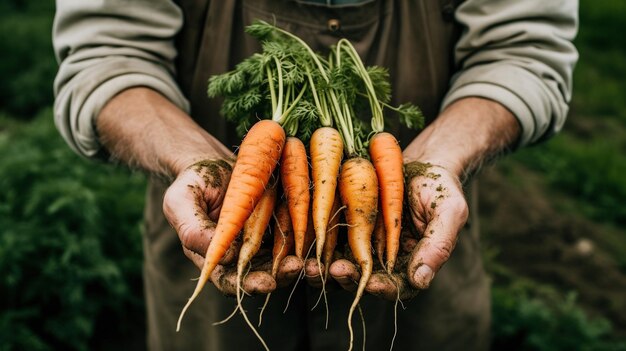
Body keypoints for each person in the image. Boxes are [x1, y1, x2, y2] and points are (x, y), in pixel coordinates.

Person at [53, 0, 578, 350]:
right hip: (213, 248)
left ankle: (385, 239)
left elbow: (524, 49)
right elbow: (108, 54)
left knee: (398, 280)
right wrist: (196, 162)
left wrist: (438, 162)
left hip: (425, 261)